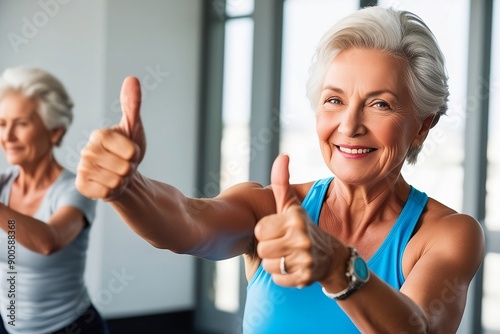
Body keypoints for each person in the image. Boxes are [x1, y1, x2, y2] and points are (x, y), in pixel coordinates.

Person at [76, 6, 484, 333]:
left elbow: (417, 328)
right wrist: (128, 188)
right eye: (334, 100)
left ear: (423, 125)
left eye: (380, 104)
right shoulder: (270, 207)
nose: (349, 125)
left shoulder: (447, 234)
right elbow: (185, 222)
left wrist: (336, 267)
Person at [0, 67, 108, 334]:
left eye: (21, 123)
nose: (8, 136)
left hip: (71, 328)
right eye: (2, 123)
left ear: (55, 132)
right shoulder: (2, 185)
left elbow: (50, 240)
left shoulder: (76, 189)